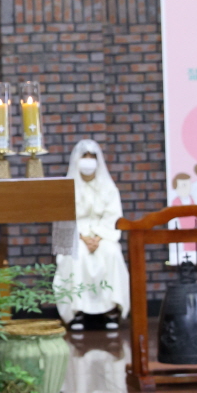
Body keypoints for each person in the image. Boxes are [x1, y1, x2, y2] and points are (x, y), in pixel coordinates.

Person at [52, 139, 131, 333]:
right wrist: (82, 237)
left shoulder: (108, 187)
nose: (88, 161)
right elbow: (64, 217)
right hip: (76, 237)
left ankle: (111, 310)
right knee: (76, 257)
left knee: (111, 253)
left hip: (103, 236)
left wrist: (98, 237)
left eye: (92, 156)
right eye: (84, 156)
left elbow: (113, 215)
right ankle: (76, 312)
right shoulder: (67, 188)